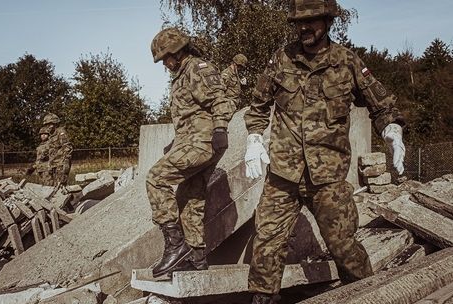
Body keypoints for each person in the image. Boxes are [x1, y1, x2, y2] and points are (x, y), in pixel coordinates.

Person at [243, 0, 406, 303]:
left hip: (328, 177)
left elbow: (381, 105)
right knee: (266, 243)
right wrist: (253, 138)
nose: (303, 28)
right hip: (283, 174)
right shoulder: (281, 59)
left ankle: (367, 297)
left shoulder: (347, 62)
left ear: (328, 22)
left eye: (311, 22)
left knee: (343, 246)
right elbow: (258, 106)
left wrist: (392, 131)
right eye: (297, 22)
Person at [146, 27, 236, 278]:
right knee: (189, 198)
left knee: (156, 178)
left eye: (166, 58)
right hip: (193, 140)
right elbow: (191, 115)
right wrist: (176, 142)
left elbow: (220, 99)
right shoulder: (183, 73)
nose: (165, 63)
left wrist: (220, 129)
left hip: (203, 142)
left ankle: (175, 246)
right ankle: (196, 258)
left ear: (177, 51)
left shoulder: (197, 68)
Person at [43, 113, 73, 186]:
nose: (48, 127)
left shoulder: (61, 132)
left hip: (61, 164)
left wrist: (64, 162)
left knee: (60, 186)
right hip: (53, 165)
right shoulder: (51, 136)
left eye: (50, 124)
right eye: (46, 125)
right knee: (53, 186)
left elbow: (67, 147)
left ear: (55, 123)